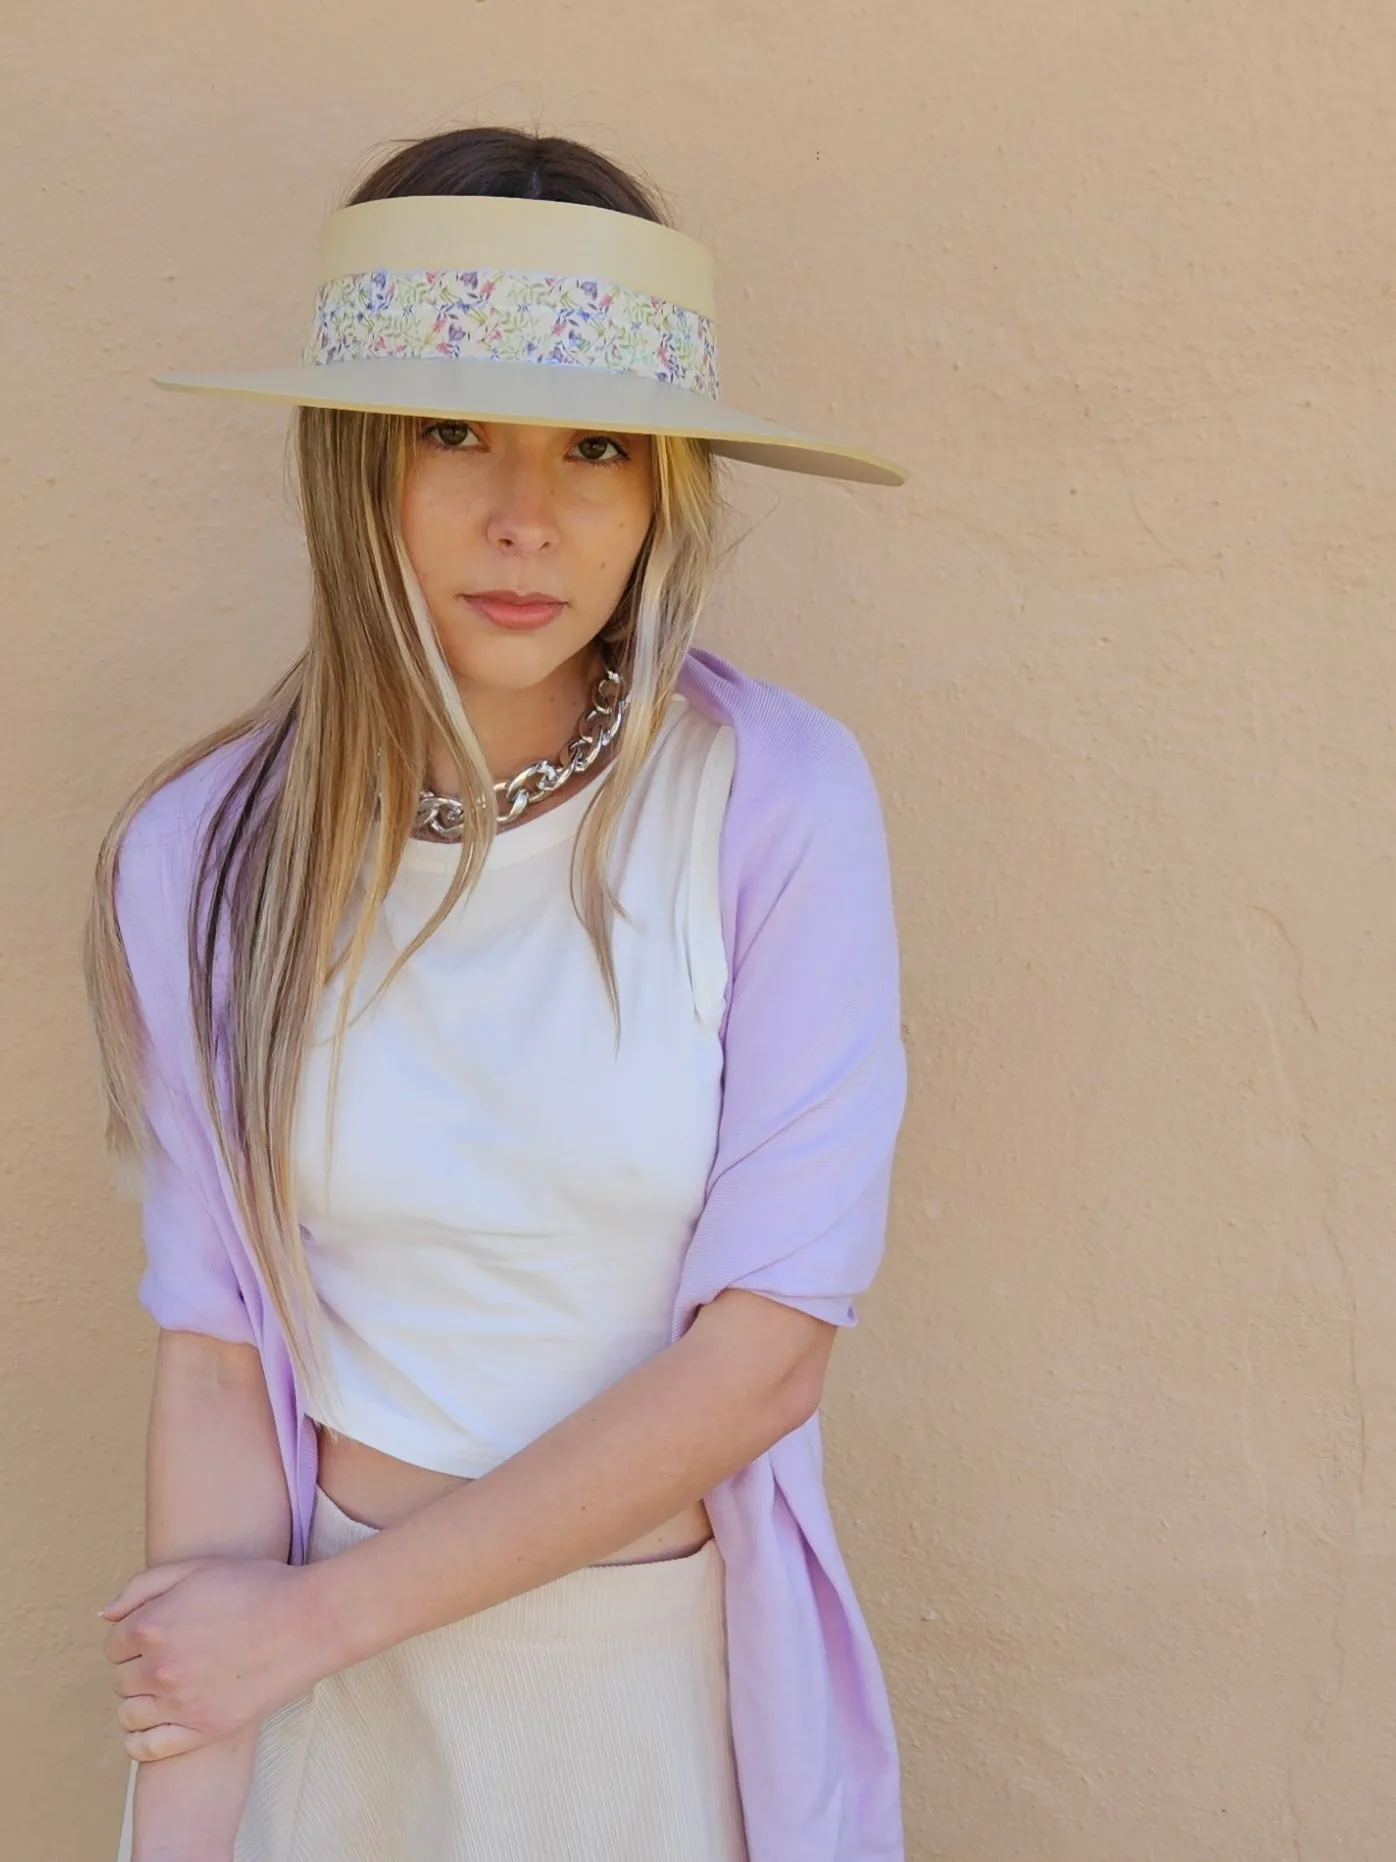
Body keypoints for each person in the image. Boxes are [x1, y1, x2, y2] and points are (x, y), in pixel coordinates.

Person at [85, 125, 910, 1862]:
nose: (525, 515)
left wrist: (316, 1622)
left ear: (663, 487)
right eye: (453, 431)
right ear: (350, 463)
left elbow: (763, 1358)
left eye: (596, 446)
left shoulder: (772, 802)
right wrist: (193, 1805)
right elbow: (219, 1370)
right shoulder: (207, 854)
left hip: (648, 1702)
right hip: (331, 1726)